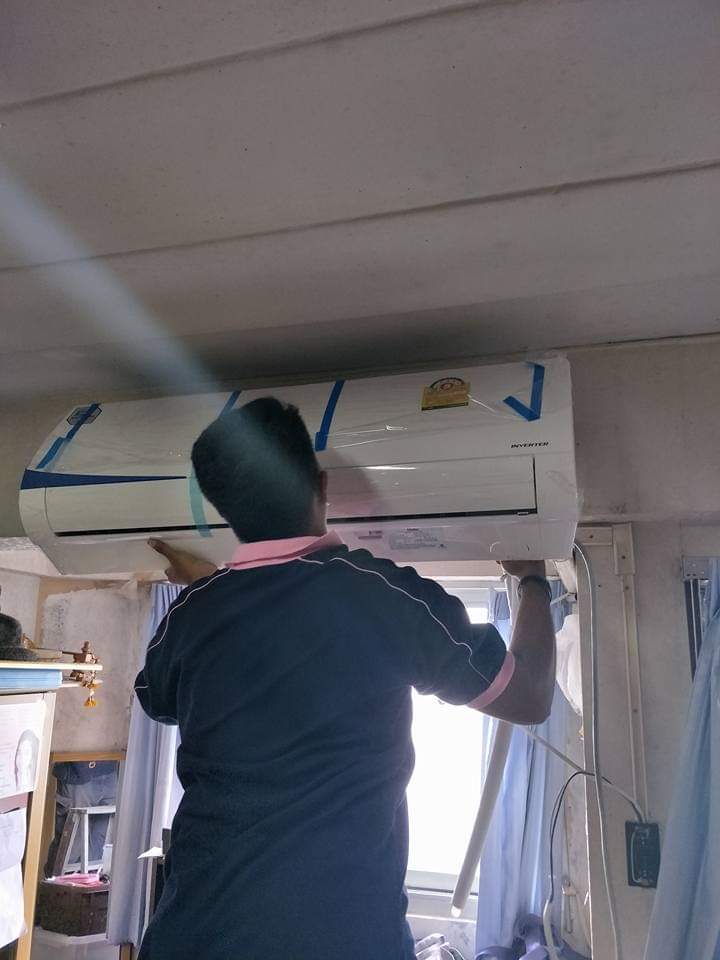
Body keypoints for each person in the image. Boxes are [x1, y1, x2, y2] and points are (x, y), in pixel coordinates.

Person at [135, 397, 556, 960]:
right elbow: (528, 697)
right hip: (340, 936)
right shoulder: (381, 595)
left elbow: (159, 700)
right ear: (322, 486)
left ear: (222, 511)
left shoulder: (192, 614)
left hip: (192, 935)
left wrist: (211, 591)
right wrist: (533, 580)